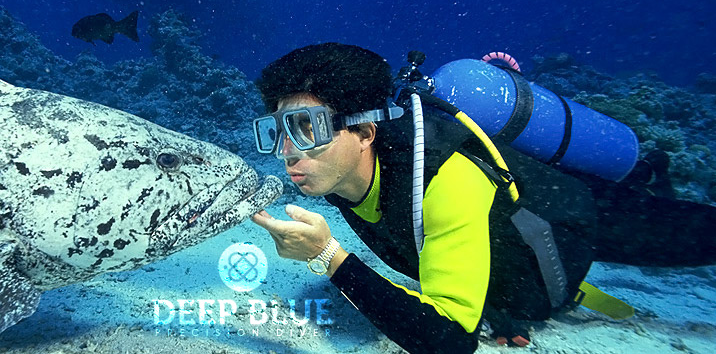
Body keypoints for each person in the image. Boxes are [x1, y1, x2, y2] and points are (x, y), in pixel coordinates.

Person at [250, 42, 716, 354]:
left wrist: (328, 256)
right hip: (524, 237)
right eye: (277, 131)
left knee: (698, 236)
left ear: (366, 133)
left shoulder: (446, 177)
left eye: (307, 128)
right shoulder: (340, 175)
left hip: (579, 220)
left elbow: (450, 342)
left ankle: (647, 173)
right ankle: (647, 174)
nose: (287, 151)